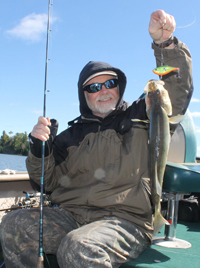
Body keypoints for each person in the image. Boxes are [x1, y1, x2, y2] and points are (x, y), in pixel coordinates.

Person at [0, 9, 193, 268]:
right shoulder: (69, 137)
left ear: (119, 86)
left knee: (79, 247)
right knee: (14, 224)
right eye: (93, 87)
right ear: (84, 95)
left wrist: (165, 44)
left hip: (126, 220)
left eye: (110, 83)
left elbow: (175, 91)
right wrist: (39, 150)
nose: (103, 91)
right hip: (72, 216)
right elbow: (45, 183)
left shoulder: (143, 115)